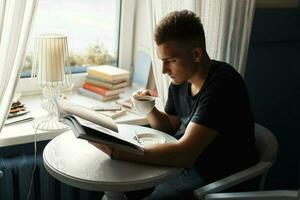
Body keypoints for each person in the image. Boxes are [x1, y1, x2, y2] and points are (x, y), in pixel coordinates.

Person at [92, 10, 259, 199]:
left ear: (196, 54)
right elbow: (169, 128)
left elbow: (185, 154)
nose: (163, 70)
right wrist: (149, 109)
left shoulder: (222, 85)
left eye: (170, 61)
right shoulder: (180, 83)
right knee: (123, 187)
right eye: (162, 61)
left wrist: (119, 151)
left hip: (219, 178)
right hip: (188, 167)